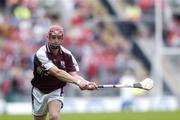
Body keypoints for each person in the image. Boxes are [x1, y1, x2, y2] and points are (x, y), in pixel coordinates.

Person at [31, 25, 97, 120]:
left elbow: (73, 74)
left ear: (62, 39)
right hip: (39, 91)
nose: (56, 40)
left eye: (59, 38)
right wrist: (78, 83)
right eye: (53, 37)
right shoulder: (41, 53)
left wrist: (87, 83)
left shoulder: (67, 55)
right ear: (48, 38)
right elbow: (57, 72)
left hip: (55, 90)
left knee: (54, 116)